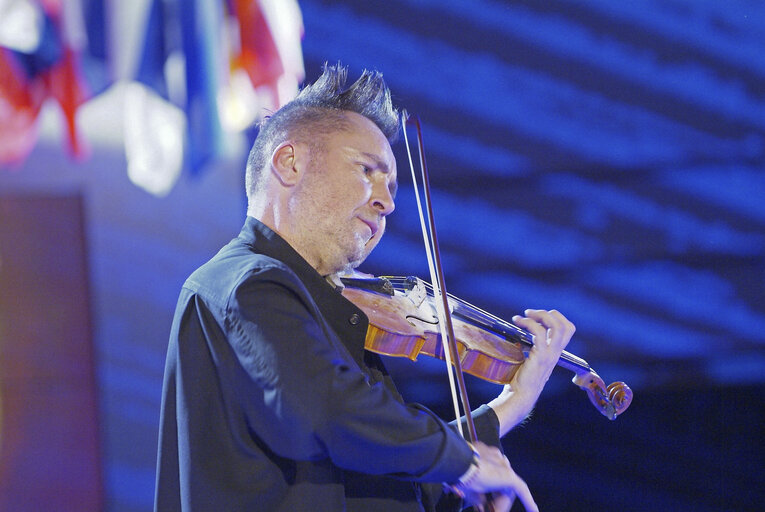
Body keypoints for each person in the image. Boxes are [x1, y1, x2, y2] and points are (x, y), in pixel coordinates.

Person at [154, 64, 575, 512]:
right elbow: (333, 413)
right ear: (289, 162)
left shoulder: (329, 313)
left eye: (391, 185)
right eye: (367, 171)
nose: (388, 202)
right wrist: (463, 462)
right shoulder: (247, 283)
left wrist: (514, 402)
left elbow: (386, 470)